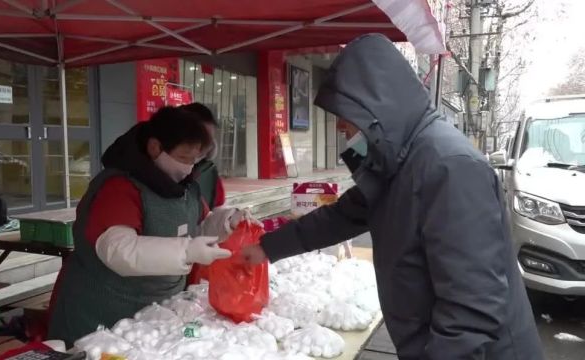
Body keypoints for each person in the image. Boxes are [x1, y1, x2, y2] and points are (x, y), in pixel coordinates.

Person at [242, 34, 543, 359]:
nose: (341, 127)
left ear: (376, 106)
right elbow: (340, 217)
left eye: (346, 113)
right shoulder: (398, 160)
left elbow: (470, 308)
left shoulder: (449, 168)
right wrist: (266, 247)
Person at [48, 107, 252, 345]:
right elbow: (118, 250)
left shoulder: (185, 187)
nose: (188, 167)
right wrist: (186, 251)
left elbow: (201, 226)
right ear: (155, 147)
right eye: (184, 158)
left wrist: (229, 220)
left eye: (194, 160)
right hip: (101, 317)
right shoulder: (119, 187)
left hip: (155, 316)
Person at [181, 102, 226, 209]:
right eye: (200, 139)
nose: (205, 147)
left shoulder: (208, 172)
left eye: (209, 141)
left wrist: (229, 218)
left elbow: (218, 208)